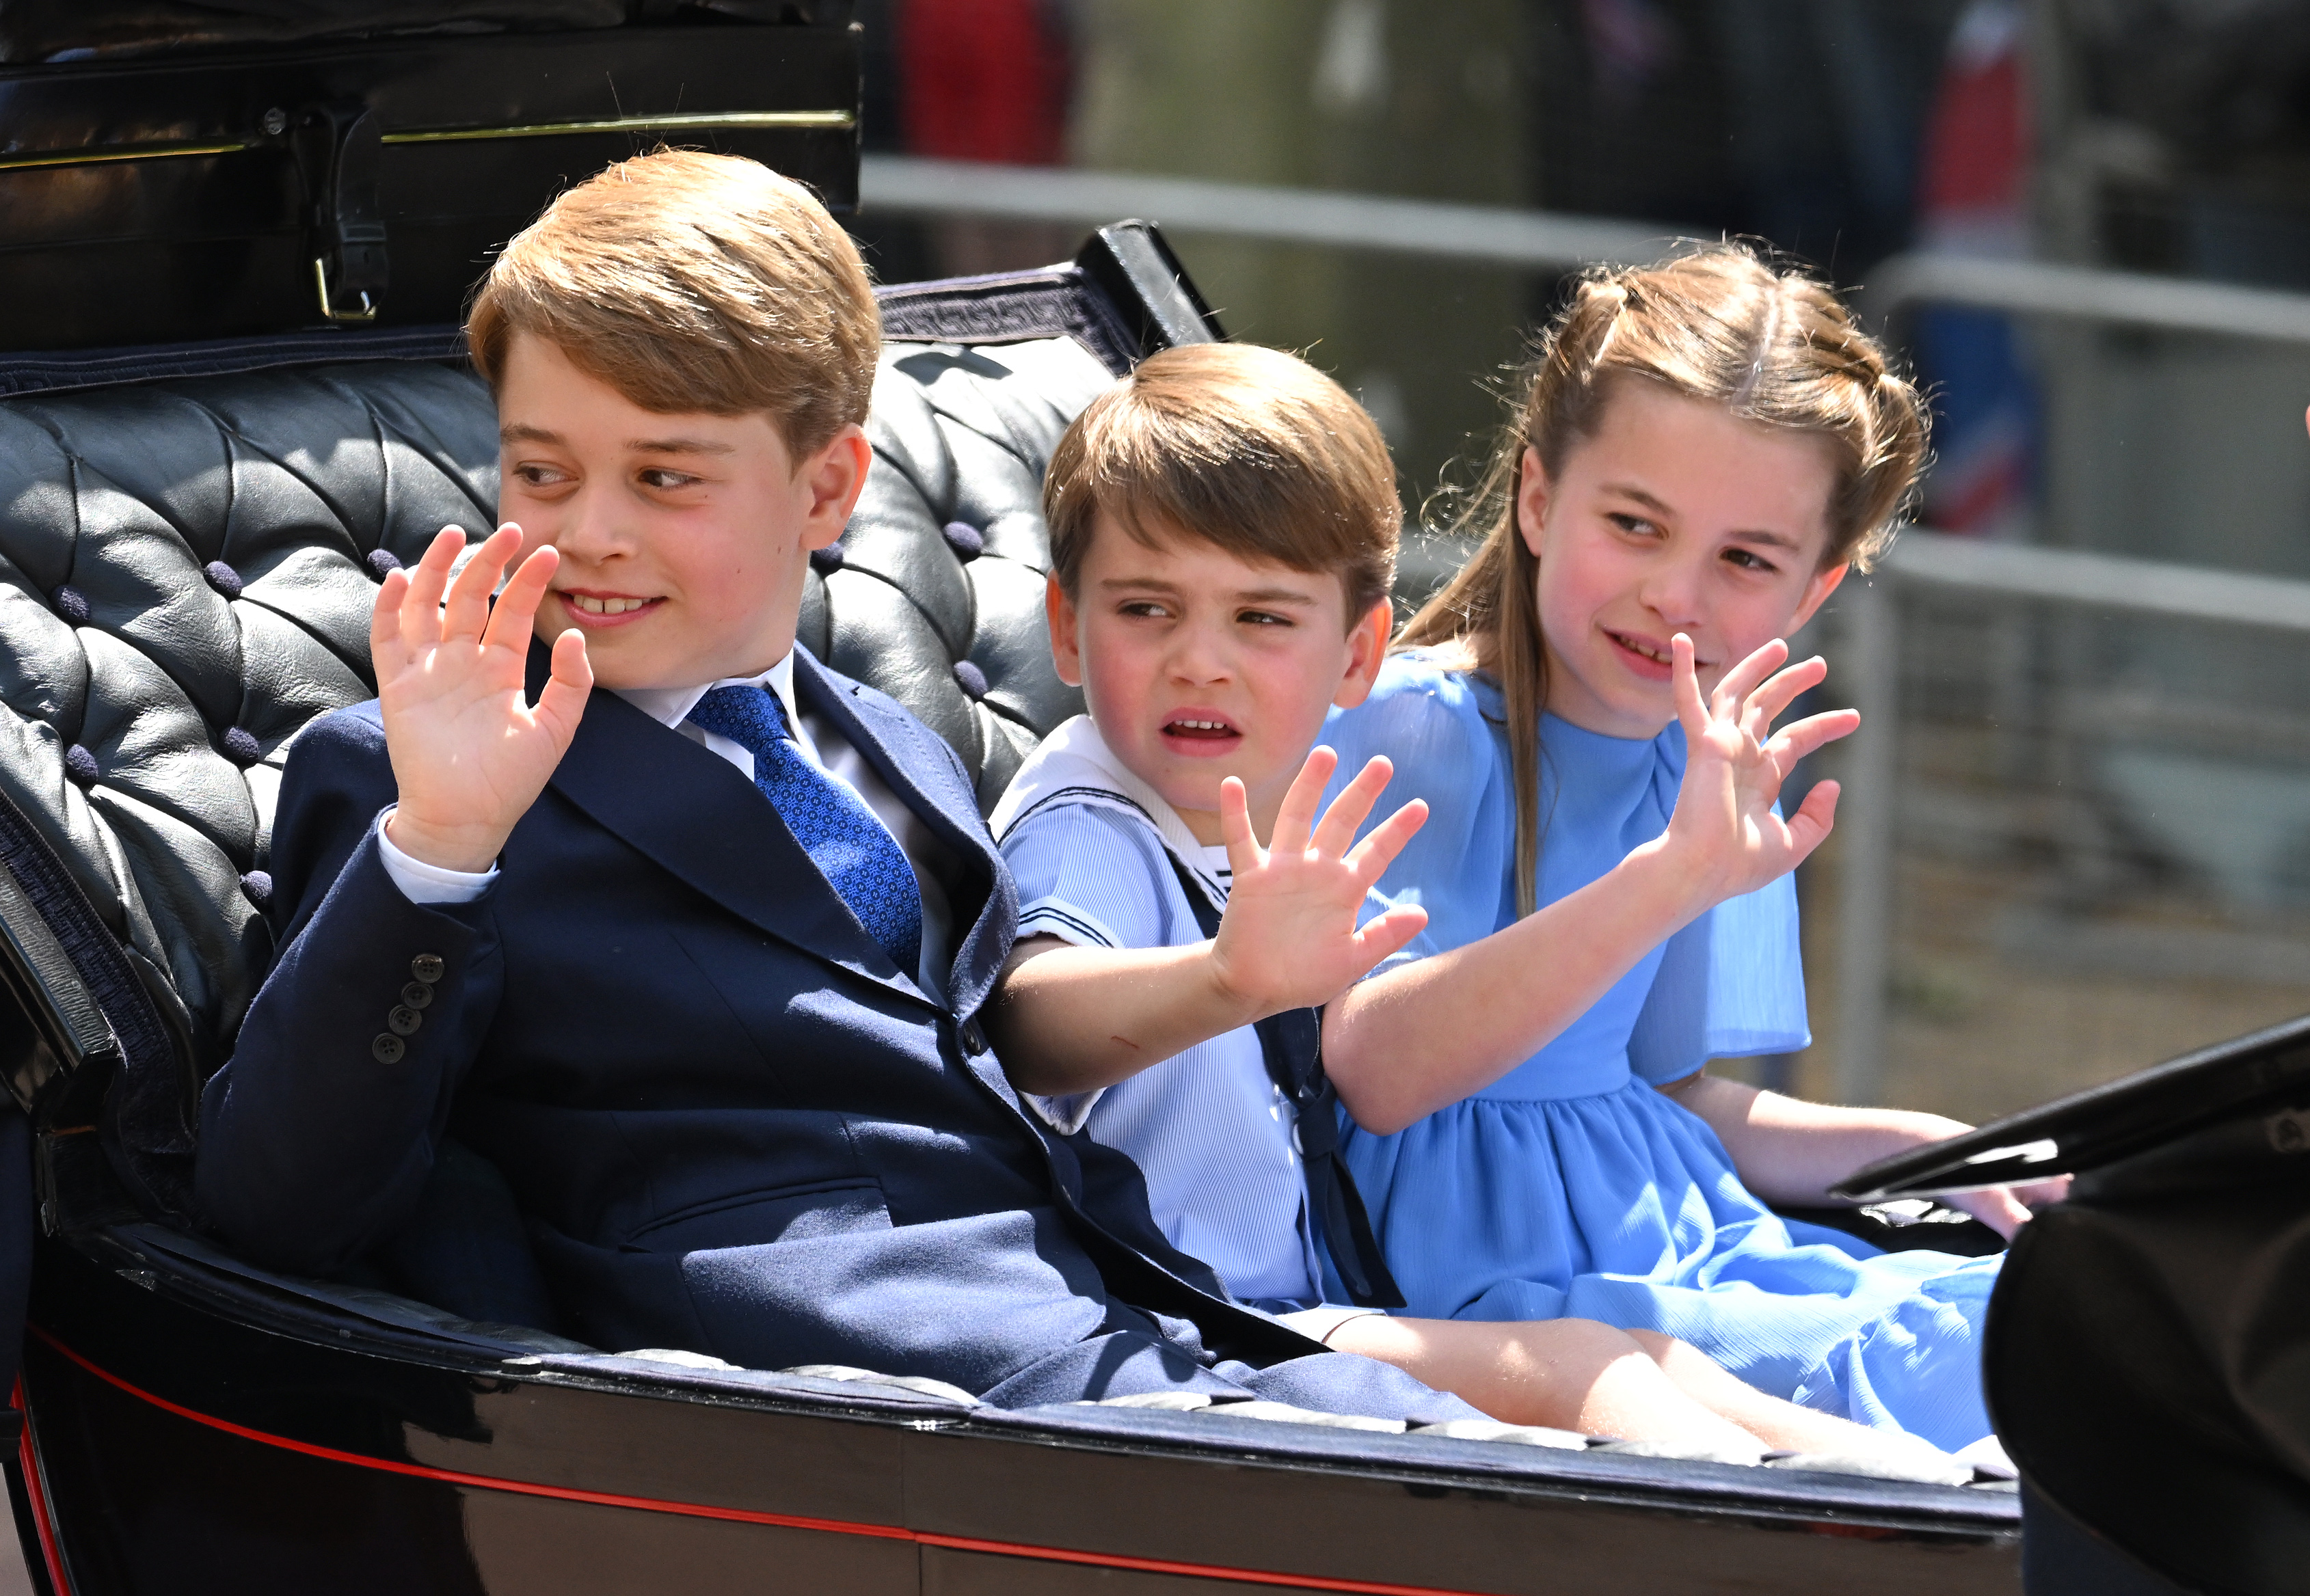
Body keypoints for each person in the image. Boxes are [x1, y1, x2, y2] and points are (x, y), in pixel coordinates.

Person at [191, 148, 1486, 1424]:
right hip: (845, 1386)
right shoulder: (418, 776)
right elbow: (279, 1206)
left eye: (664, 476)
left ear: (828, 487)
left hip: (1127, 1316)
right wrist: (440, 844)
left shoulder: (892, 741)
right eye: (543, 472)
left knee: (1581, 1459)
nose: (589, 529)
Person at [984, 341, 1946, 1462]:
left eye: (1259, 620)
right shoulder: (1095, 811)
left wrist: (1932, 1150)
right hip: (1203, 1325)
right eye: (1148, 609)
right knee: (1592, 1364)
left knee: (1668, 1373)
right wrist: (1223, 978)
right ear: (1065, 626)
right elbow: (1029, 1021)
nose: (1203, 662)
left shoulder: (1266, 809)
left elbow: (1666, 1091)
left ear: (1353, 656)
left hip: (1311, 1298)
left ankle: (1928, 1496)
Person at [1313, 244, 2068, 1454]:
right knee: (1992, 1371)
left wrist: (1922, 1149)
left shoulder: (1710, 761)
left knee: (2041, 1315)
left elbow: (1675, 1100)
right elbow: (1377, 1074)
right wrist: (1669, 877)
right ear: (1539, 500)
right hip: (1514, 1297)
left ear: (1811, 593)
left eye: (1745, 560)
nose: (1677, 594)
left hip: (1694, 1242)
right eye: (1634, 523)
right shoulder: (1402, 728)